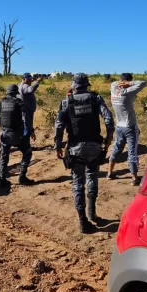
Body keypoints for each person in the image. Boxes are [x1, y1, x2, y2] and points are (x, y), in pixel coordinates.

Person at [54, 73, 115, 234]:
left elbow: (59, 125)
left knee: (77, 183)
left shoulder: (67, 101)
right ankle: (92, 213)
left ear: (73, 85)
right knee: (92, 176)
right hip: (94, 146)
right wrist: (108, 139)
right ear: (87, 85)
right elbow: (108, 119)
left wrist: (58, 145)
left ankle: (83, 221)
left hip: (75, 148)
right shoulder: (96, 98)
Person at [107, 73, 147, 185]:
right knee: (132, 152)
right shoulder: (127, 92)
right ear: (128, 81)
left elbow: (114, 83)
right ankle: (134, 178)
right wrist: (129, 84)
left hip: (119, 126)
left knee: (116, 149)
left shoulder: (113, 88)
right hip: (130, 127)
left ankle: (109, 173)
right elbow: (144, 83)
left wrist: (122, 83)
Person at [0, 85, 35, 186]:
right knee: (27, 153)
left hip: (4, 133)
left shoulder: (0, 102)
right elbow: (26, 118)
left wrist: (1, 124)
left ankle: (2, 180)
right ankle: (22, 177)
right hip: (17, 134)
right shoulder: (18, 102)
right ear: (16, 92)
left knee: (4, 155)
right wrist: (30, 130)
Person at [17, 73, 41, 142]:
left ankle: (25, 143)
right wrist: (37, 81)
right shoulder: (24, 86)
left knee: (26, 125)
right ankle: (25, 145)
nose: (31, 80)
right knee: (26, 127)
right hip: (26, 110)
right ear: (24, 79)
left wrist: (31, 81)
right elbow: (31, 90)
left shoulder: (20, 85)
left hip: (25, 109)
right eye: (29, 79)